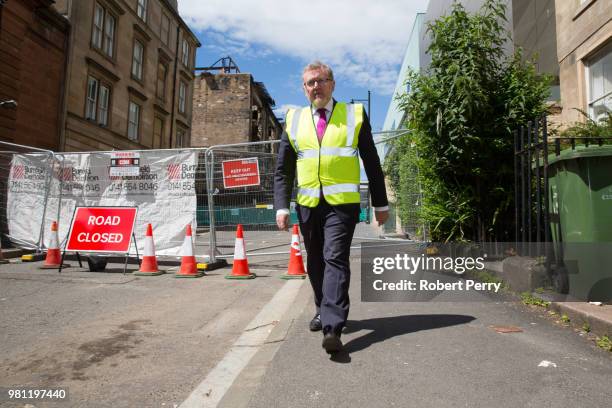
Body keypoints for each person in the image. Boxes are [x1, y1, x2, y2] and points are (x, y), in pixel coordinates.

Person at [274, 61, 389, 353]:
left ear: (333, 84)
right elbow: (283, 169)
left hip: (342, 205)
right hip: (308, 204)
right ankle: (322, 308)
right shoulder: (293, 119)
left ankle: (332, 326)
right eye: (310, 83)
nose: (316, 87)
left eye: (321, 81)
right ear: (304, 88)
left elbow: (372, 162)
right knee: (315, 261)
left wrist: (380, 202)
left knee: (334, 257)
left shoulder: (354, 115)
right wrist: (281, 207)